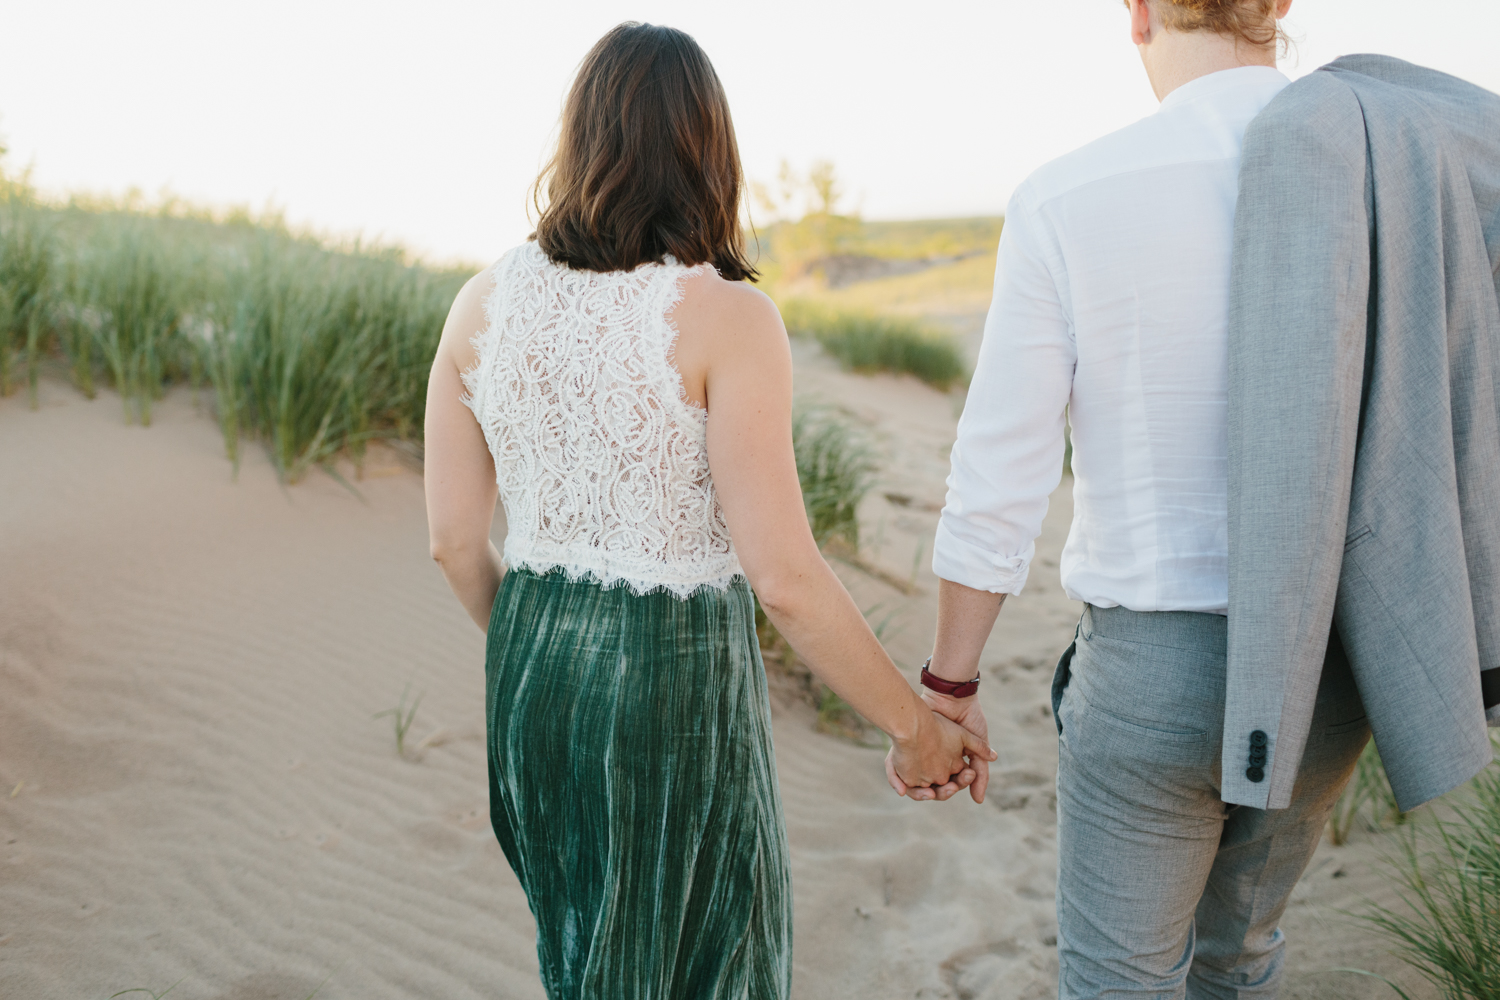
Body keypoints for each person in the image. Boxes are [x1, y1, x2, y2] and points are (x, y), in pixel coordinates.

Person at [422, 21, 995, 1000]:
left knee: (587, 955)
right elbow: (785, 578)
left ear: (580, 140)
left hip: (529, 671)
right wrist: (915, 726)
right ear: (708, 151)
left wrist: (540, 639)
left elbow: (450, 540)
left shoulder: (482, 302)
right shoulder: (728, 315)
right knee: (707, 956)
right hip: (668, 685)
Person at [921, 1, 1372, 996]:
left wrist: (950, 686)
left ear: (1138, 14)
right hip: (1337, 661)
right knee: (1241, 956)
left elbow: (1002, 477)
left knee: (1118, 979)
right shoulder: (1383, 170)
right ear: (1281, 7)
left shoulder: (1070, 196)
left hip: (1156, 670)